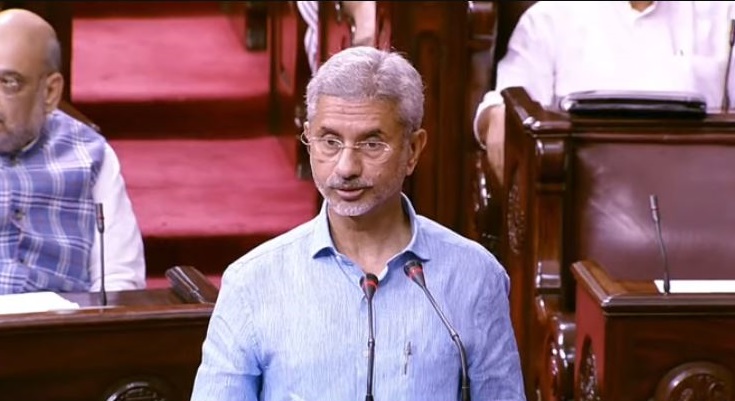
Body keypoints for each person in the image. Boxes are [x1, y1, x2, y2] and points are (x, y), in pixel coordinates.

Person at [190, 46, 526, 401]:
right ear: (308, 138)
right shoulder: (252, 282)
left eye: (371, 143)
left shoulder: (476, 277)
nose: (346, 167)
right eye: (330, 141)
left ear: (413, 150)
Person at [474, 1, 735, 185]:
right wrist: (497, 120)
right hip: (586, 209)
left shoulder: (723, 13)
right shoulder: (550, 18)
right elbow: (504, 112)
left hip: (702, 204)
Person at [0, 9, 145, 293]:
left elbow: (118, 281)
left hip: (60, 330)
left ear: (50, 92)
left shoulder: (90, 155)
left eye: (9, 83)